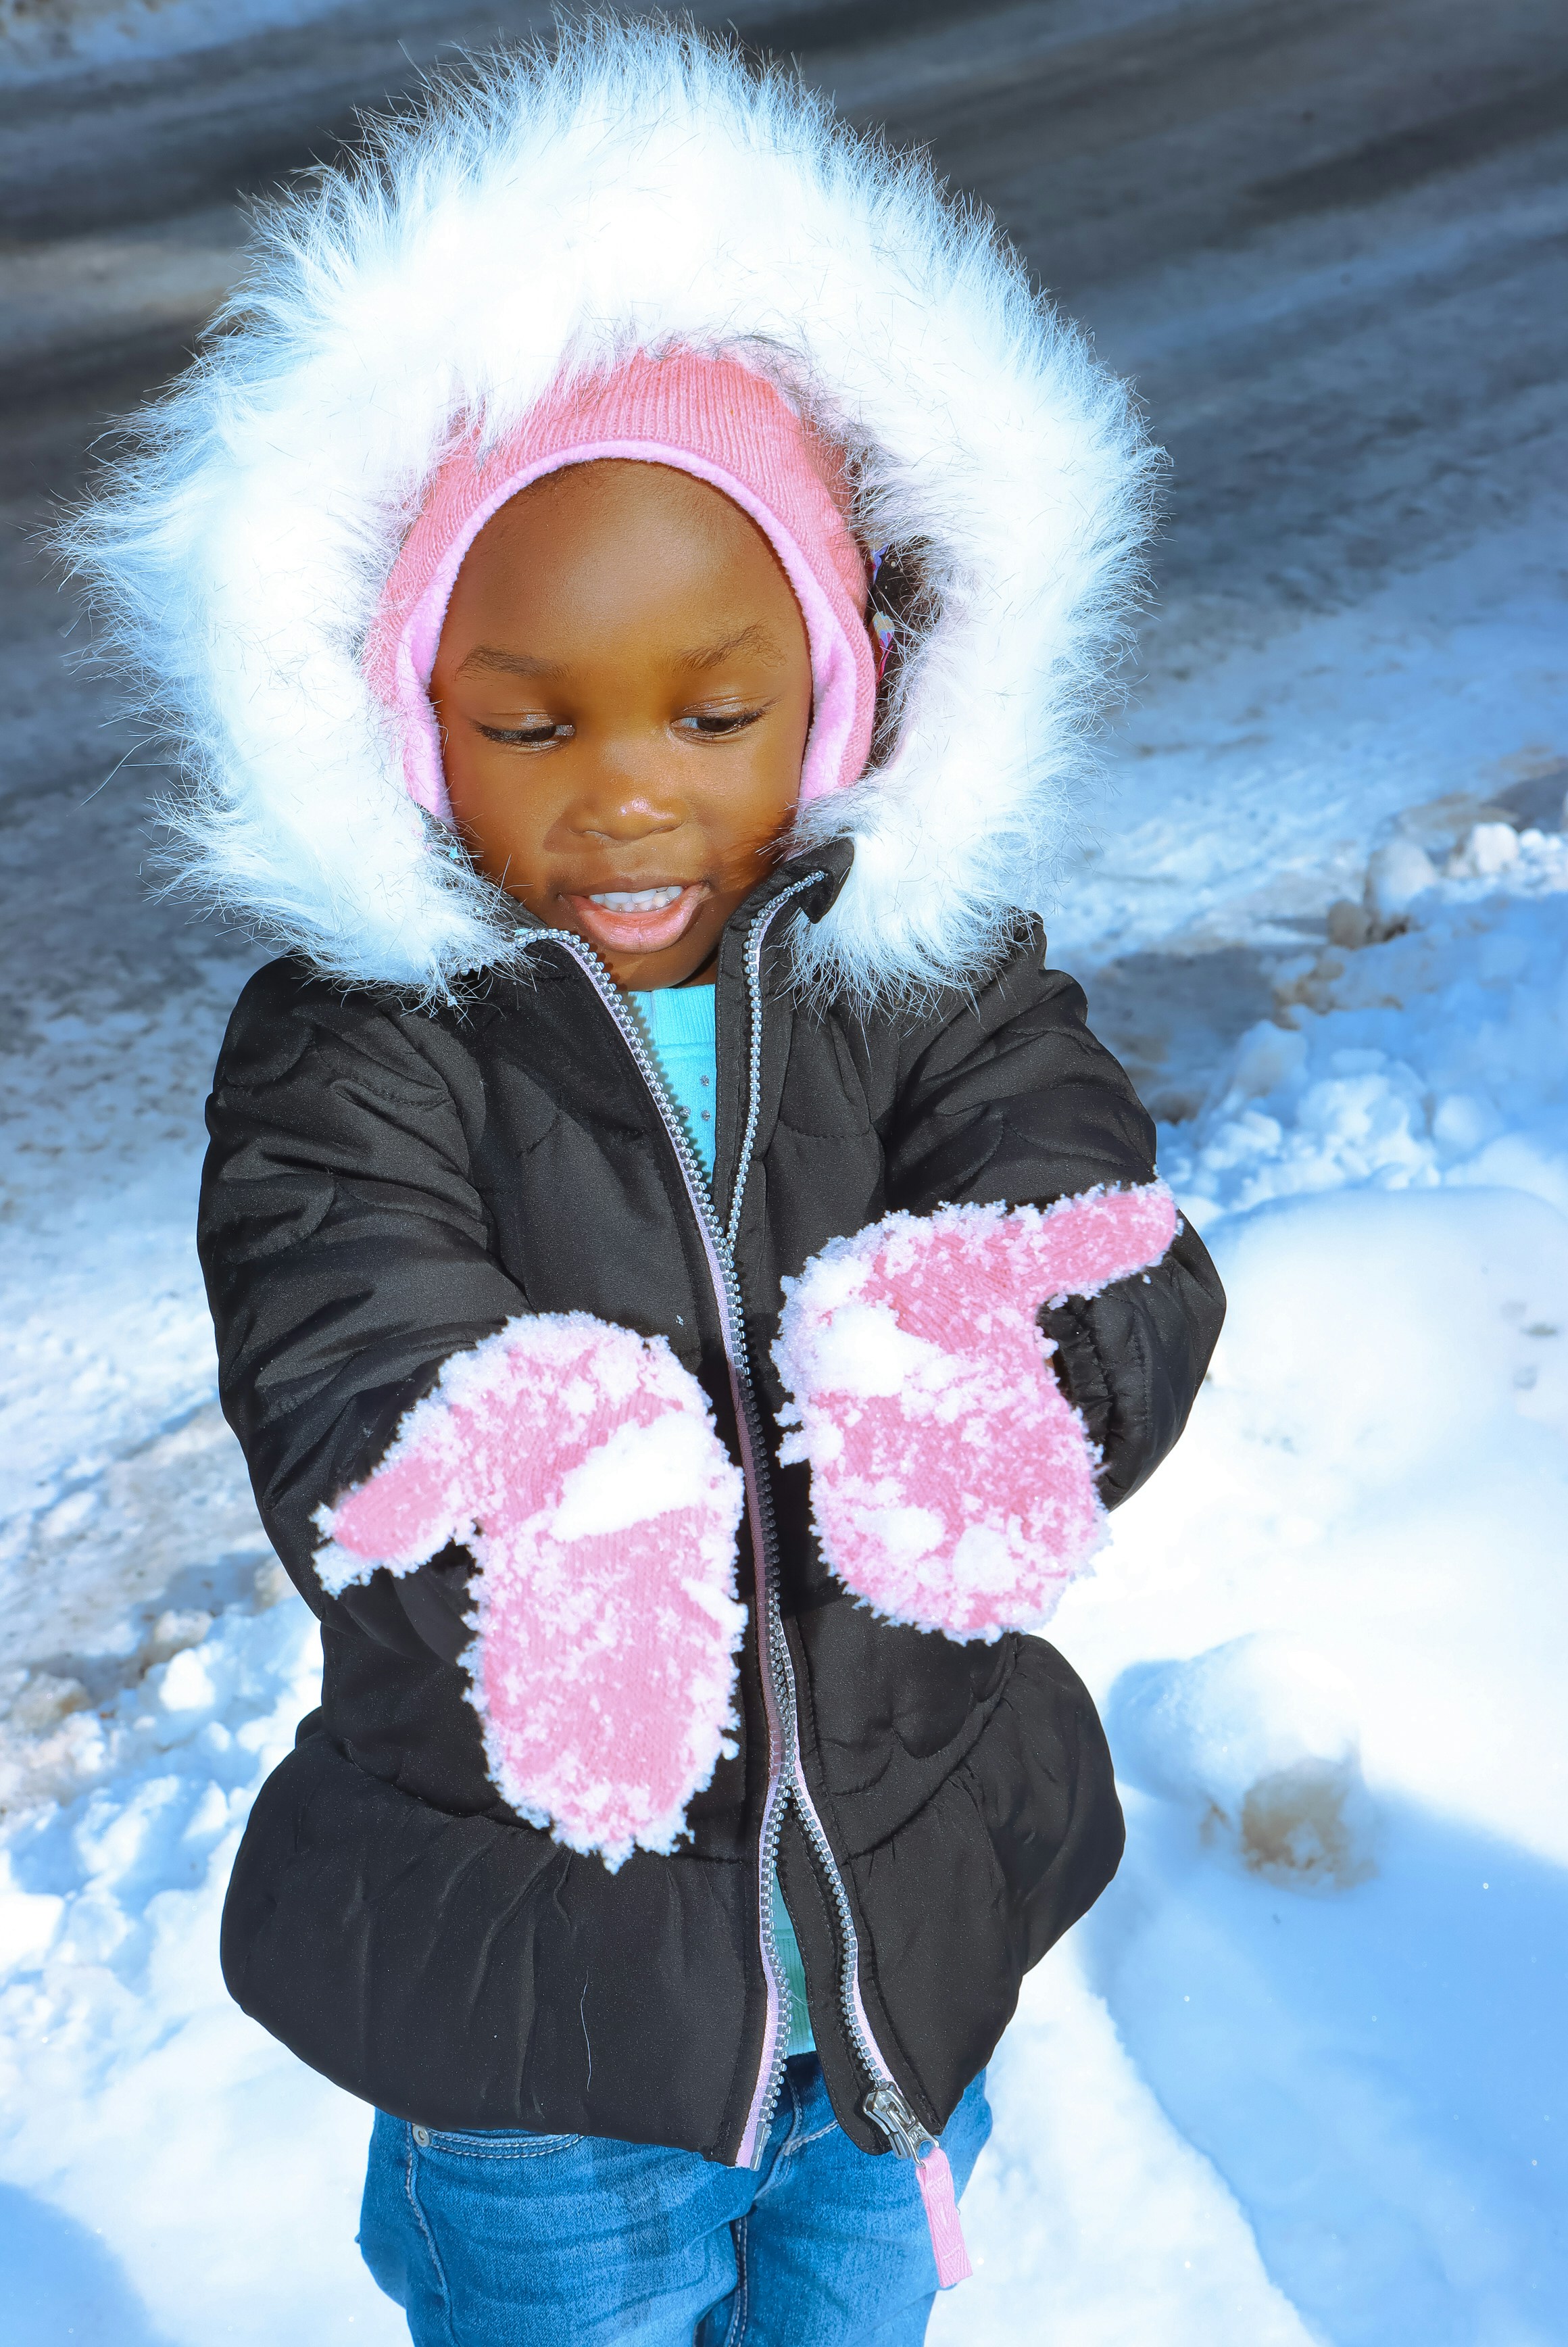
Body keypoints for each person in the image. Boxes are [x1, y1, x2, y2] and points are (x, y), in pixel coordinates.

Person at [65, 22, 1224, 2344]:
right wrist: (537, 1482)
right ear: (410, 714)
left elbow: (1086, 1196)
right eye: (536, 723)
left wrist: (1000, 1360)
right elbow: (336, 1336)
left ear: (844, 702)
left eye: (715, 715)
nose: (627, 798)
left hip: (898, 1959)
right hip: (540, 2010)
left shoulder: (931, 975)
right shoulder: (357, 1048)